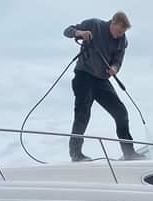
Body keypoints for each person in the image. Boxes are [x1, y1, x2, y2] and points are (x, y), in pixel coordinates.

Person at [62, 11, 145, 162]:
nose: (120, 35)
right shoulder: (94, 24)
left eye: (123, 33)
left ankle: (129, 153)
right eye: (119, 31)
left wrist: (114, 68)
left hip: (101, 81)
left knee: (121, 113)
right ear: (112, 23)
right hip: (84, 75)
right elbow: (67, 31)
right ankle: (76, 153)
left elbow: (118, 61)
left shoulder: (122, 41)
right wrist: (79, 33)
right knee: (83, 114)